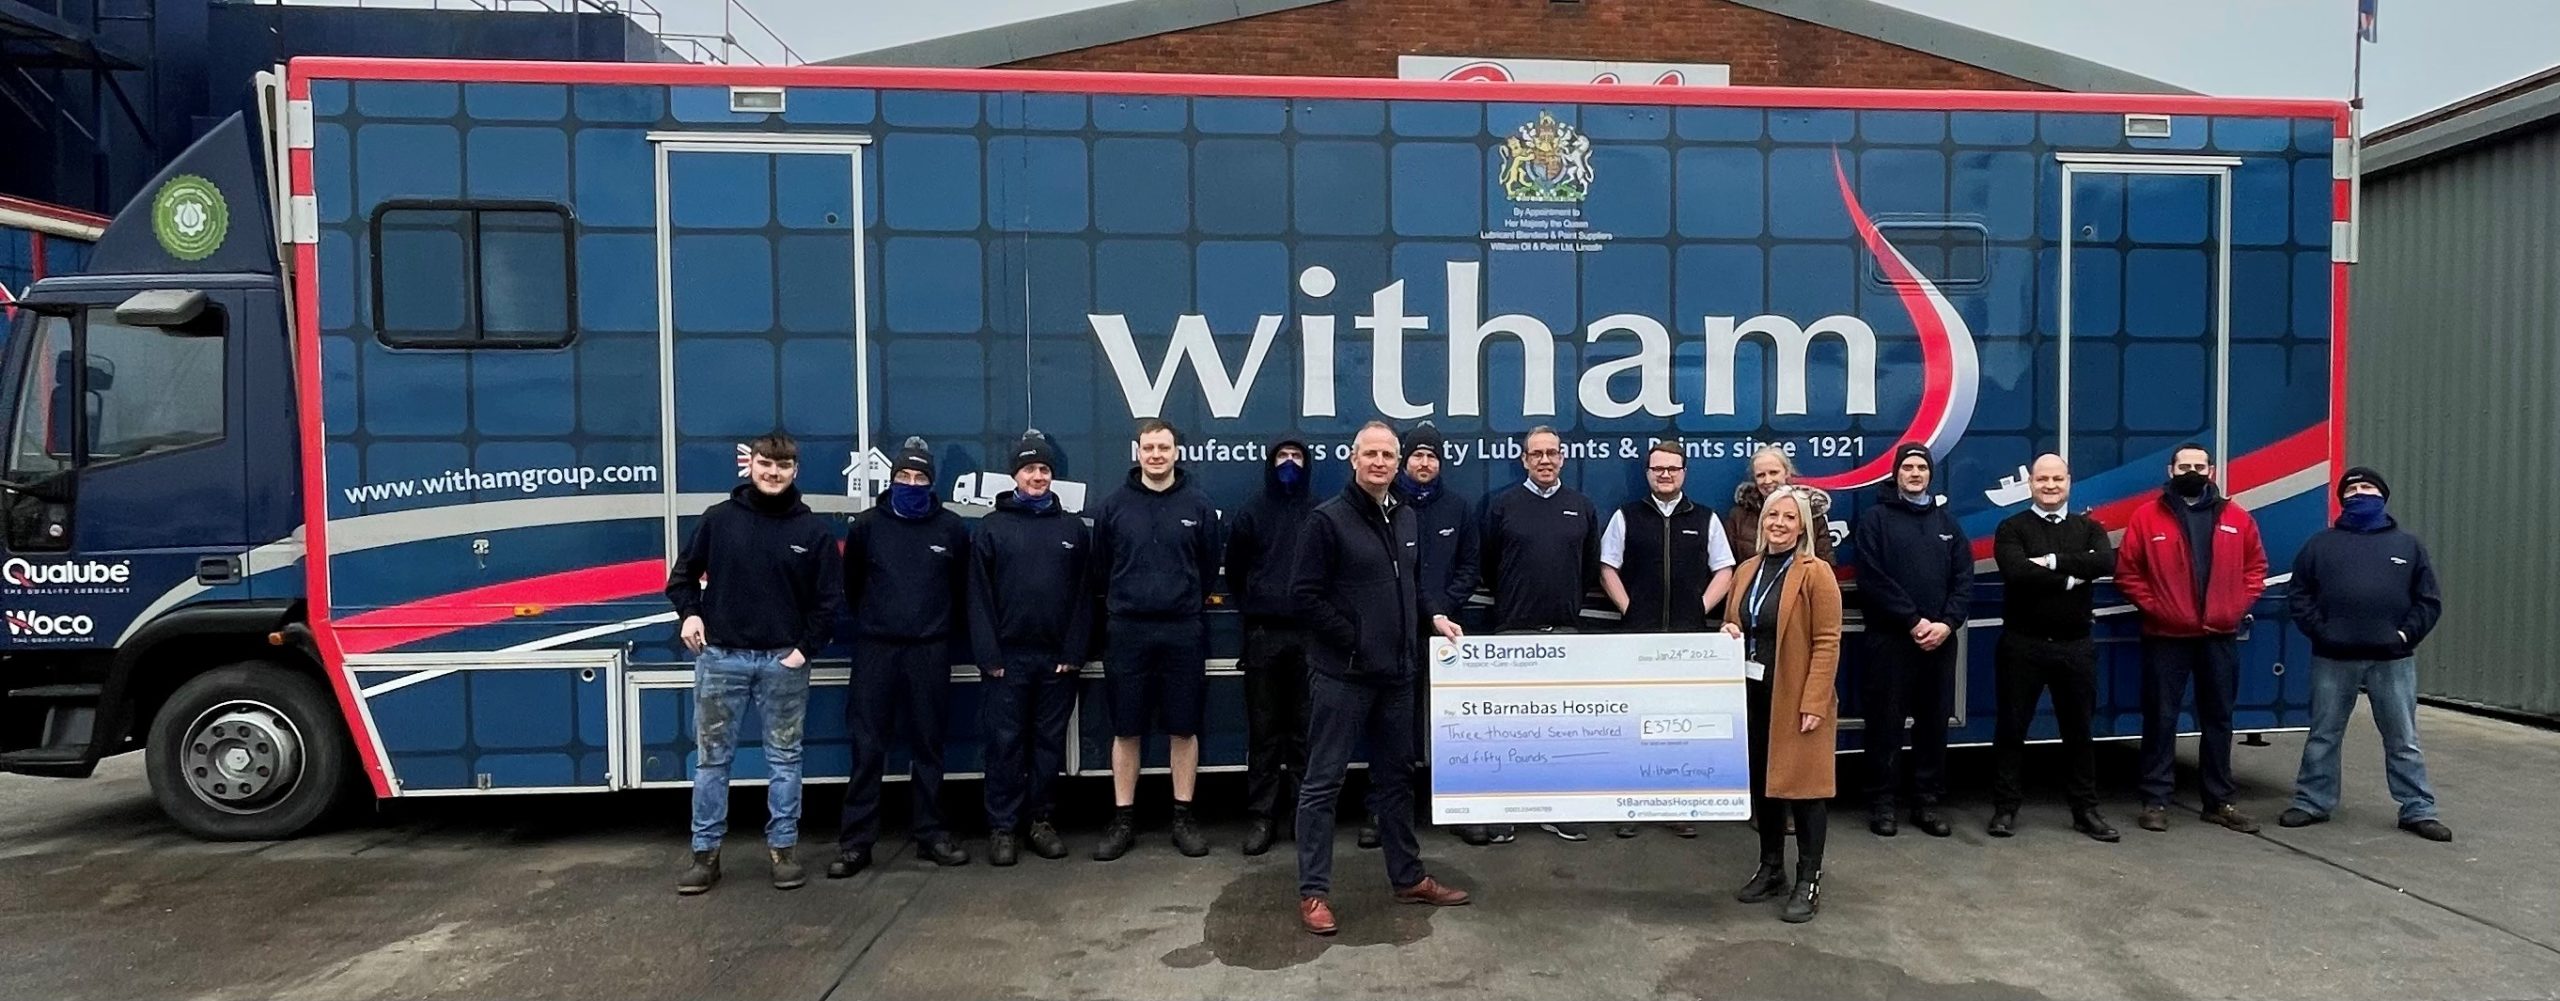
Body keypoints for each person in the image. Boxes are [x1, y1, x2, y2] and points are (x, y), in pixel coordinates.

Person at [1288, 422, 1473, 936]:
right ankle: (1314, 894)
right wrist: (1356, 638)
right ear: (1353, 459)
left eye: (1388, 455)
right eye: (1371, 453)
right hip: (1342, 677)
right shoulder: (1327, 521)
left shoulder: (1405, 516)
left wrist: (1433, 615)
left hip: (1397, 675)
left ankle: (1408, 877)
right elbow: (1304, 596)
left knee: (1396, 780)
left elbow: (1410, 586)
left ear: (1398, 463)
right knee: (1322, 783)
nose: (1380, 462)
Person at [668, 432, 844, 894]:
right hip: (720, 659)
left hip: (783, 664)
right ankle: (705, 856)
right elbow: (681, 578)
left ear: (794, 471)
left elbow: (829, 602)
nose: (773, 472)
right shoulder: (719, 521)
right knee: (711, 764)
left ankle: (783, 853)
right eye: (766, 463)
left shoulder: (813, 532)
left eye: (783, 466)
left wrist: (803, 651)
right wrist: (689, 615)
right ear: (750, 466)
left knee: (785, 761)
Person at [2279, 467, 2450, 841]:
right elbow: (2299, 595)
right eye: (2352, 488)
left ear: (2382, 496)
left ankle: (2418, 808)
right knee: (2324, 734)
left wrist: (2404, 635)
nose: (2359, 492)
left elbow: (2429, 601)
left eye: (2367, 487)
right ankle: (2312, 802)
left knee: (2402, 738)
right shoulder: (2320, 545)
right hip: (2333, 658)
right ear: (2342, 499)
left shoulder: (2408, 546)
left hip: (2392, 661)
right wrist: (2323, 632)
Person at [833, 437, 973, 877]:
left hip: (929, 652)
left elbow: (960, 589)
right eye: (904, 477)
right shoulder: (867, 526)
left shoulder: (950, 529)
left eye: (920, 478)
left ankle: (930, 835)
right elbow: (851, 586)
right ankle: (857, 844)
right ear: (891, 480)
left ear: (932, 483)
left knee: (929, 747)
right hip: (876, 649)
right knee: (867, 748)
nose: (911, 484)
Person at [1087, 418, 1223, 861]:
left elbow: (1207, 568)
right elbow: (1101, 570)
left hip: (1183, 629)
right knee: (1126, 729)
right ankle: (1123, 818)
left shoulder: (1199, 506)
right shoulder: (1113, 508)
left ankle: (1183, 816)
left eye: (1164, 447)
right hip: (1127, 630)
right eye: (1149, 447)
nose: (1156, 455)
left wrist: (1181, 600)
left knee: (1184, 728)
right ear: (1137, 452)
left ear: (1176, 453)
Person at [2116, 443, 2267, 834]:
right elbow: (2129, 573)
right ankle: (2155, 800)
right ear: (2170, 470)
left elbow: (2256, 568)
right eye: (2185, 466)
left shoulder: (2236, 517)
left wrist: (2235, 606)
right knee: (2161, 719)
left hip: (2219, 636)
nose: (2192, 471)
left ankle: (2218, 801)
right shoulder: (2147, 518)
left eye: (2200, 466)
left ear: (2212, 471)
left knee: (2218, 719)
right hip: (2167, 636)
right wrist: (2159, 608)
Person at [1599, 439, 1736, 839]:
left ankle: (1678, 805)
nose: (1665, 474)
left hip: (1687, 641)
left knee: (1679, 725)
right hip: (1637, 640)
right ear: (1647, 472)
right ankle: (1632, 806)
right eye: (1657, 468)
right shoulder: (1626, 516)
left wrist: (1700, 608)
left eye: (1672, 468)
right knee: (1635, 723)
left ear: (1684, 472)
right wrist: (1630, 609)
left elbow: (1725, 569)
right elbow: (1608, 566)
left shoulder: (1706, 518)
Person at [969, 430, 1093, 866]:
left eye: (1043, 469)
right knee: (1004, 744)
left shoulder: (1072, 530)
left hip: (1057, 661)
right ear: (1014, 476)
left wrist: (1074, 652)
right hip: (1007, 661)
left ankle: (1040, 821)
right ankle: (1003, 828)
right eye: (1029, 469)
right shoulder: (991, 528)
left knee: (1047, 745)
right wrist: (990, 656)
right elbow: (978, 598)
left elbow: (1084, 597)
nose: (1037, 476)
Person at [1721, 486, 1842, 923]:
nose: (1779, 524)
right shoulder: (1747, 569)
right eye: (1773, 516)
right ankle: (1770, 867)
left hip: (1796, 697)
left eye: (1790, 518)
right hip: (1753, 695)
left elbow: (1828, 642)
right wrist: (1729, 632)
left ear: (1802, 526)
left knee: (1806, 792)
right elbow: (1734, 621)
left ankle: (1807, 879)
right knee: (1765, 786)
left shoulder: (1816, 573)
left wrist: (1815, 701)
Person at [1479, 425, 1602, 842]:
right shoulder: (1502, 505)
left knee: (1560, 729)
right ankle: (1506, 810)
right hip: (1513, 630)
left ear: (1563, 458)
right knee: (1511, 729)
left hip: (1565, 631)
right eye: (1537, 454)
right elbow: (1489, 565)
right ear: (1524, 460)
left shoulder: (1581, 506)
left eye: (1552, 452)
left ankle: (1558, 809)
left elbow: (1589, 567)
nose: (1545, 460)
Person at [1988, 454, 2120, 842]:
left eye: (2057, 479)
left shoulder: (2090, 527)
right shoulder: (2011, 527)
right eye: (2042, 479)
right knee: (2011, 730)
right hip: (2022, 645)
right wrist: (2069, 578)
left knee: (2079, 732)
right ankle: (2005, 808)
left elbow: (2105, 563)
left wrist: (2050, 561)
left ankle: (2085, 810)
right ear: (2030, 482)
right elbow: (2016, 572)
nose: (2050, 485)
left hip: (2075, 646)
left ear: (2069, 482)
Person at [1851, 443, 1973, 838]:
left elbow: (1963, 580)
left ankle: (1927, 803)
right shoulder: (1875, 520)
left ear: (1930, 475)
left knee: (1932, 725)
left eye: (1921, 467)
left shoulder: (1947, 524)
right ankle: (1882, 804)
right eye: (1908, 467)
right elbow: (1872, 578)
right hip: (1891, 641)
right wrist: (1913, 620)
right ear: (1896, 474)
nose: (1915, 473)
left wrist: (1946, 623)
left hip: (1938, 642)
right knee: (1884, 725)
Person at [1226, 438, 1319, 857]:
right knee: (1263, 734)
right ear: (1269, 462)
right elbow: (1236, 570)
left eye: (1296, 458)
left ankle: (1304, 816)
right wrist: (1255, 607)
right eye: (1281, 457)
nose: (1289, 464)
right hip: (1263, 636)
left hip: (1308, 637)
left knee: (1304, 734)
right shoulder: (1251, 511)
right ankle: (1261, 817)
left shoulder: (1319, 512)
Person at [1393, 422, 1484, 845]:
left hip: (1447, 634)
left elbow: (1470, 566)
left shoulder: (1459, 508)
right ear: (1404, 461)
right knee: (1394, 723)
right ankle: (1389, 814)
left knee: (1450, 723)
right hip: (1394, 629)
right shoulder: (1387, 505)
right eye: (1417, 456)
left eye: (1431, 456)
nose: (1424, 463)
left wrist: (1443, 607)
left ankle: (1457, 809)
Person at [1727, 445, 1835, 563]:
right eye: (1761, 475)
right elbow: (1729, 566)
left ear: (1787, 473)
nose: (1767, 481)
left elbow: (1826, 566)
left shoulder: (1811, 513)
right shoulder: (1739, 516)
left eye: (1773, 473)